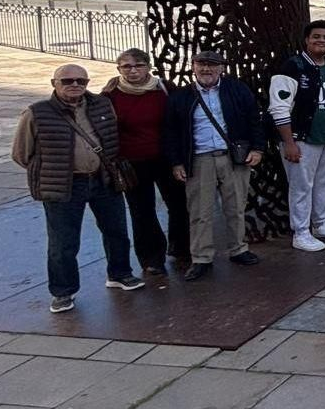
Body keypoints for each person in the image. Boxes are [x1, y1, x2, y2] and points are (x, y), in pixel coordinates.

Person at [14, 63, 143, 313]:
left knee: (116, 230)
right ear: (54, 83)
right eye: (67, 81)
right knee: (63, 241)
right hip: (64, 184)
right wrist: (51, 170)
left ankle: (120, 274)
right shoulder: (37, 112)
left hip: (103, 179)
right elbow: (21, 153)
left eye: (81, 81)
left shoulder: (102, 105)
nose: (75, 85)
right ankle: (63, 292)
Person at [163, 51, 265, 283]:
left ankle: (238, 249)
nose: (206, 69)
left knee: (236, 207)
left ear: (221, 68)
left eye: (212, 65)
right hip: (200, 159)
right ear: (193, 67)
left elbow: (254, 119)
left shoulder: (237, 90)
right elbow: (170, 132)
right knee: (200, 212)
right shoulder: (181, 97)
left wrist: (258, 149)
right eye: (201, 64)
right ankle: (201, 257)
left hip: (233, 157)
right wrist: (176, 162)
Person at [104, 48, 187, 276]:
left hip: (166, 158)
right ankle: (152, 258)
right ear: (119, 69)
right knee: (142, 211)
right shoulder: (110, 95)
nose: (133, 71)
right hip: (132, 162)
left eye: (138, 65)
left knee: (179, 204)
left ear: (148, 67)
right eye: (126, 67)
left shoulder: (164, 89)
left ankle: (181, 247)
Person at [270, 20, 325, 253]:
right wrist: (289, 142)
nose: (321, 41)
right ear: (307, 39)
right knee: (301, 186)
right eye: (317, 36)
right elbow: (279, 107)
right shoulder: (292, 67)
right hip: (303, 138)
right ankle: (301, 232)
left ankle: (322, 223)